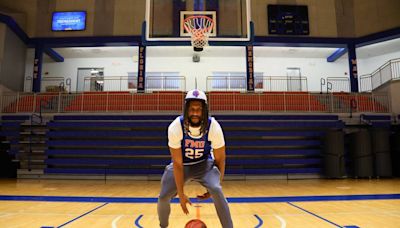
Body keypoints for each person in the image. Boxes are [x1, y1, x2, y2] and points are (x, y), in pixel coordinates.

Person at [157, 89, 233, 228]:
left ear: (204, 111)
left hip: (204, 165)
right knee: (163, 197)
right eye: (192, 109)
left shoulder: (214, 127)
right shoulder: (175, 127)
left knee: (217, 189)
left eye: (199, 109)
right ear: (186, 110)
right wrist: (180, 194)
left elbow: (220, 158)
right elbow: (178, 164)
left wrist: (216, 184)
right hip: (182, 165)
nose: (195, 113)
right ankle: (163, 226)